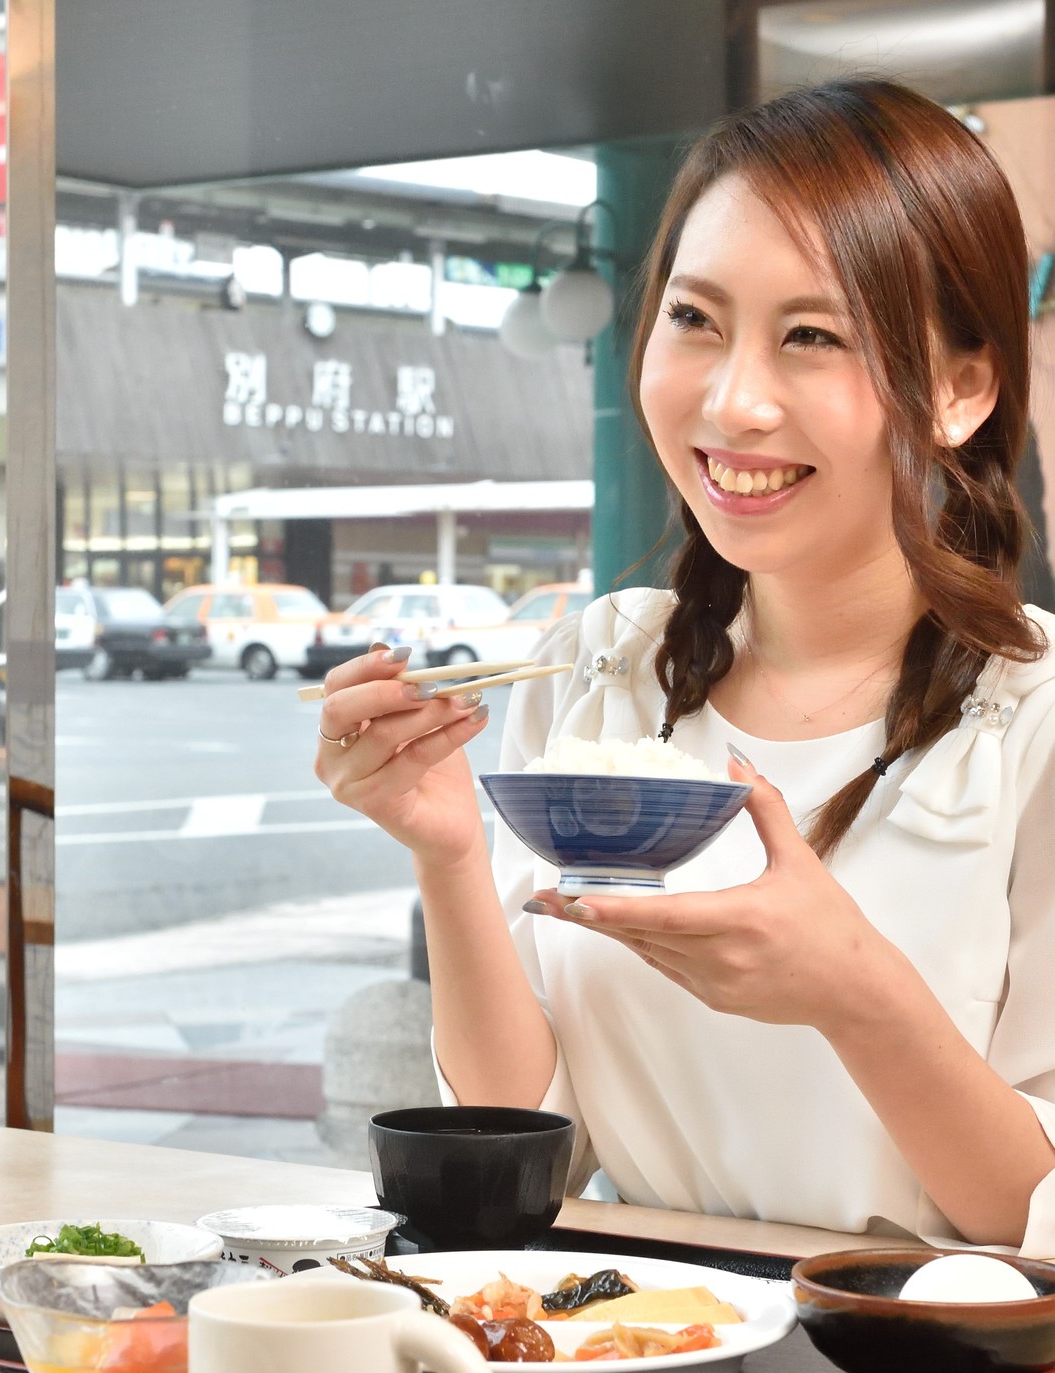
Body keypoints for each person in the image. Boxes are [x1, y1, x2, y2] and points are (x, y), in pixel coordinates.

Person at [314, 78, 1055, 1256]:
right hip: (637, 1339)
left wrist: (854, 992)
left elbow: (1039, 1219)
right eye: (695, 319)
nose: (731, 398)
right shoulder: (600, 667)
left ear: (962, 387)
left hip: (927, 1370)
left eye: (811, 337)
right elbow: (537, 1132)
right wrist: (449, 852)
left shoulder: (1033, 724)